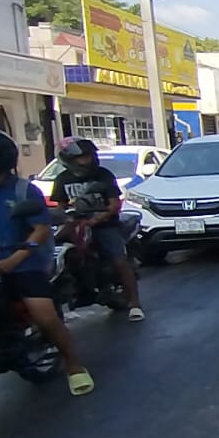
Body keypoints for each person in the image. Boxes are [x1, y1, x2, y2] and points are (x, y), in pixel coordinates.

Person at [0, 126, 92, 395]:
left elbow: (41, 230)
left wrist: (13, 261)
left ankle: (74, 366)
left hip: (25, 263)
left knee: (44, 315)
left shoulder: (24, 191)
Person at [49, 136, 143, 321]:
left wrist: (95, 220)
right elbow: (61, 207)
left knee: (118, 260)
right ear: (69, 160)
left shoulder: (103, 175)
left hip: (105, 224)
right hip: (76, 225)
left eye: (89, 156)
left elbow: (114, 204)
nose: (87, 160)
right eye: (81, 157)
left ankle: (135, 304)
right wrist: (60, 219)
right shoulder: (62, 179)